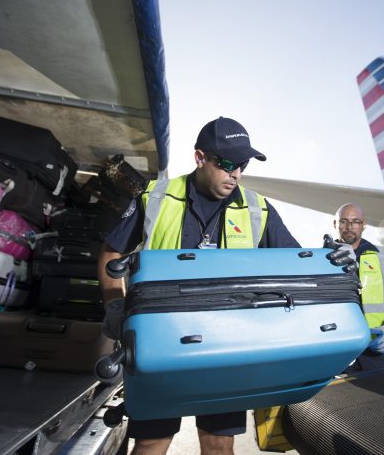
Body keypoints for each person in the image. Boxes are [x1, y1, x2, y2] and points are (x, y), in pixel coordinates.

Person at [98, 116, 300, 455]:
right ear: (200, 158)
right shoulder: (156, 198)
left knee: (219, 444)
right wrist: (114, 305)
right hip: (159, 345)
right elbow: (111, 251)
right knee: (151, 442)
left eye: (243, 164)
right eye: (228, 163)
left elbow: (297, 263)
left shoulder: (258, 210)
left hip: (226, 348)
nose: (236, 172)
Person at [325, 203, 384, 372]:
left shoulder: (383, 257)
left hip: (378, 350)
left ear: (364, 225)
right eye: (343, 221)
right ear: (335, 224)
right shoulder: (321, 258)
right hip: (338, 350)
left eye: (355, 221)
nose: (349, 227)